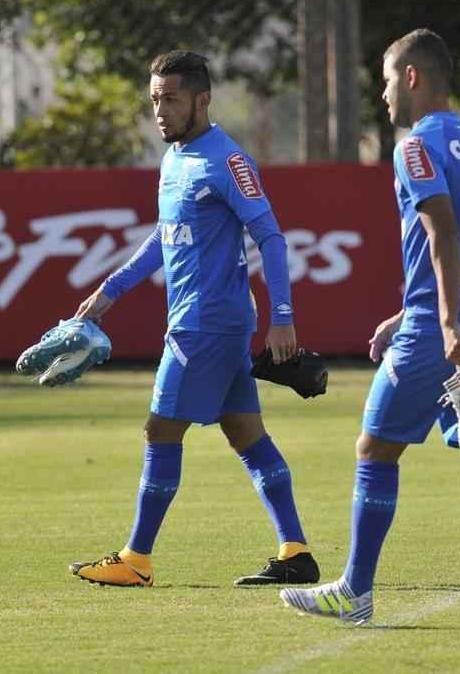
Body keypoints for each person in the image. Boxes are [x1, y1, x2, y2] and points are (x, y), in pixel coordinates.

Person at [280, 29, 460, 627]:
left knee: (375, 448)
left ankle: (355, 592)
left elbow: (444, 231)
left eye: (387, 79)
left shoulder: (414, 148)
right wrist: (411, 311)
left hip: (442, 328)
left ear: (414, 77)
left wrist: (441, 321)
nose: (383, 93)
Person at [68, 50, 320, 588]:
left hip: (206, 323)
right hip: (210, 322)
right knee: (245, 433)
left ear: (202, 100)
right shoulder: (176, 158)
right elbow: (166, 237)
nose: (161, 109)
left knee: (161, 428)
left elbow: (271, 237)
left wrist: (283, 319)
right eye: (156, 98)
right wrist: (110, 291)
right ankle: (295, 552)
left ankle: (136, 559)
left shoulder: (226, 161)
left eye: (172, 98)